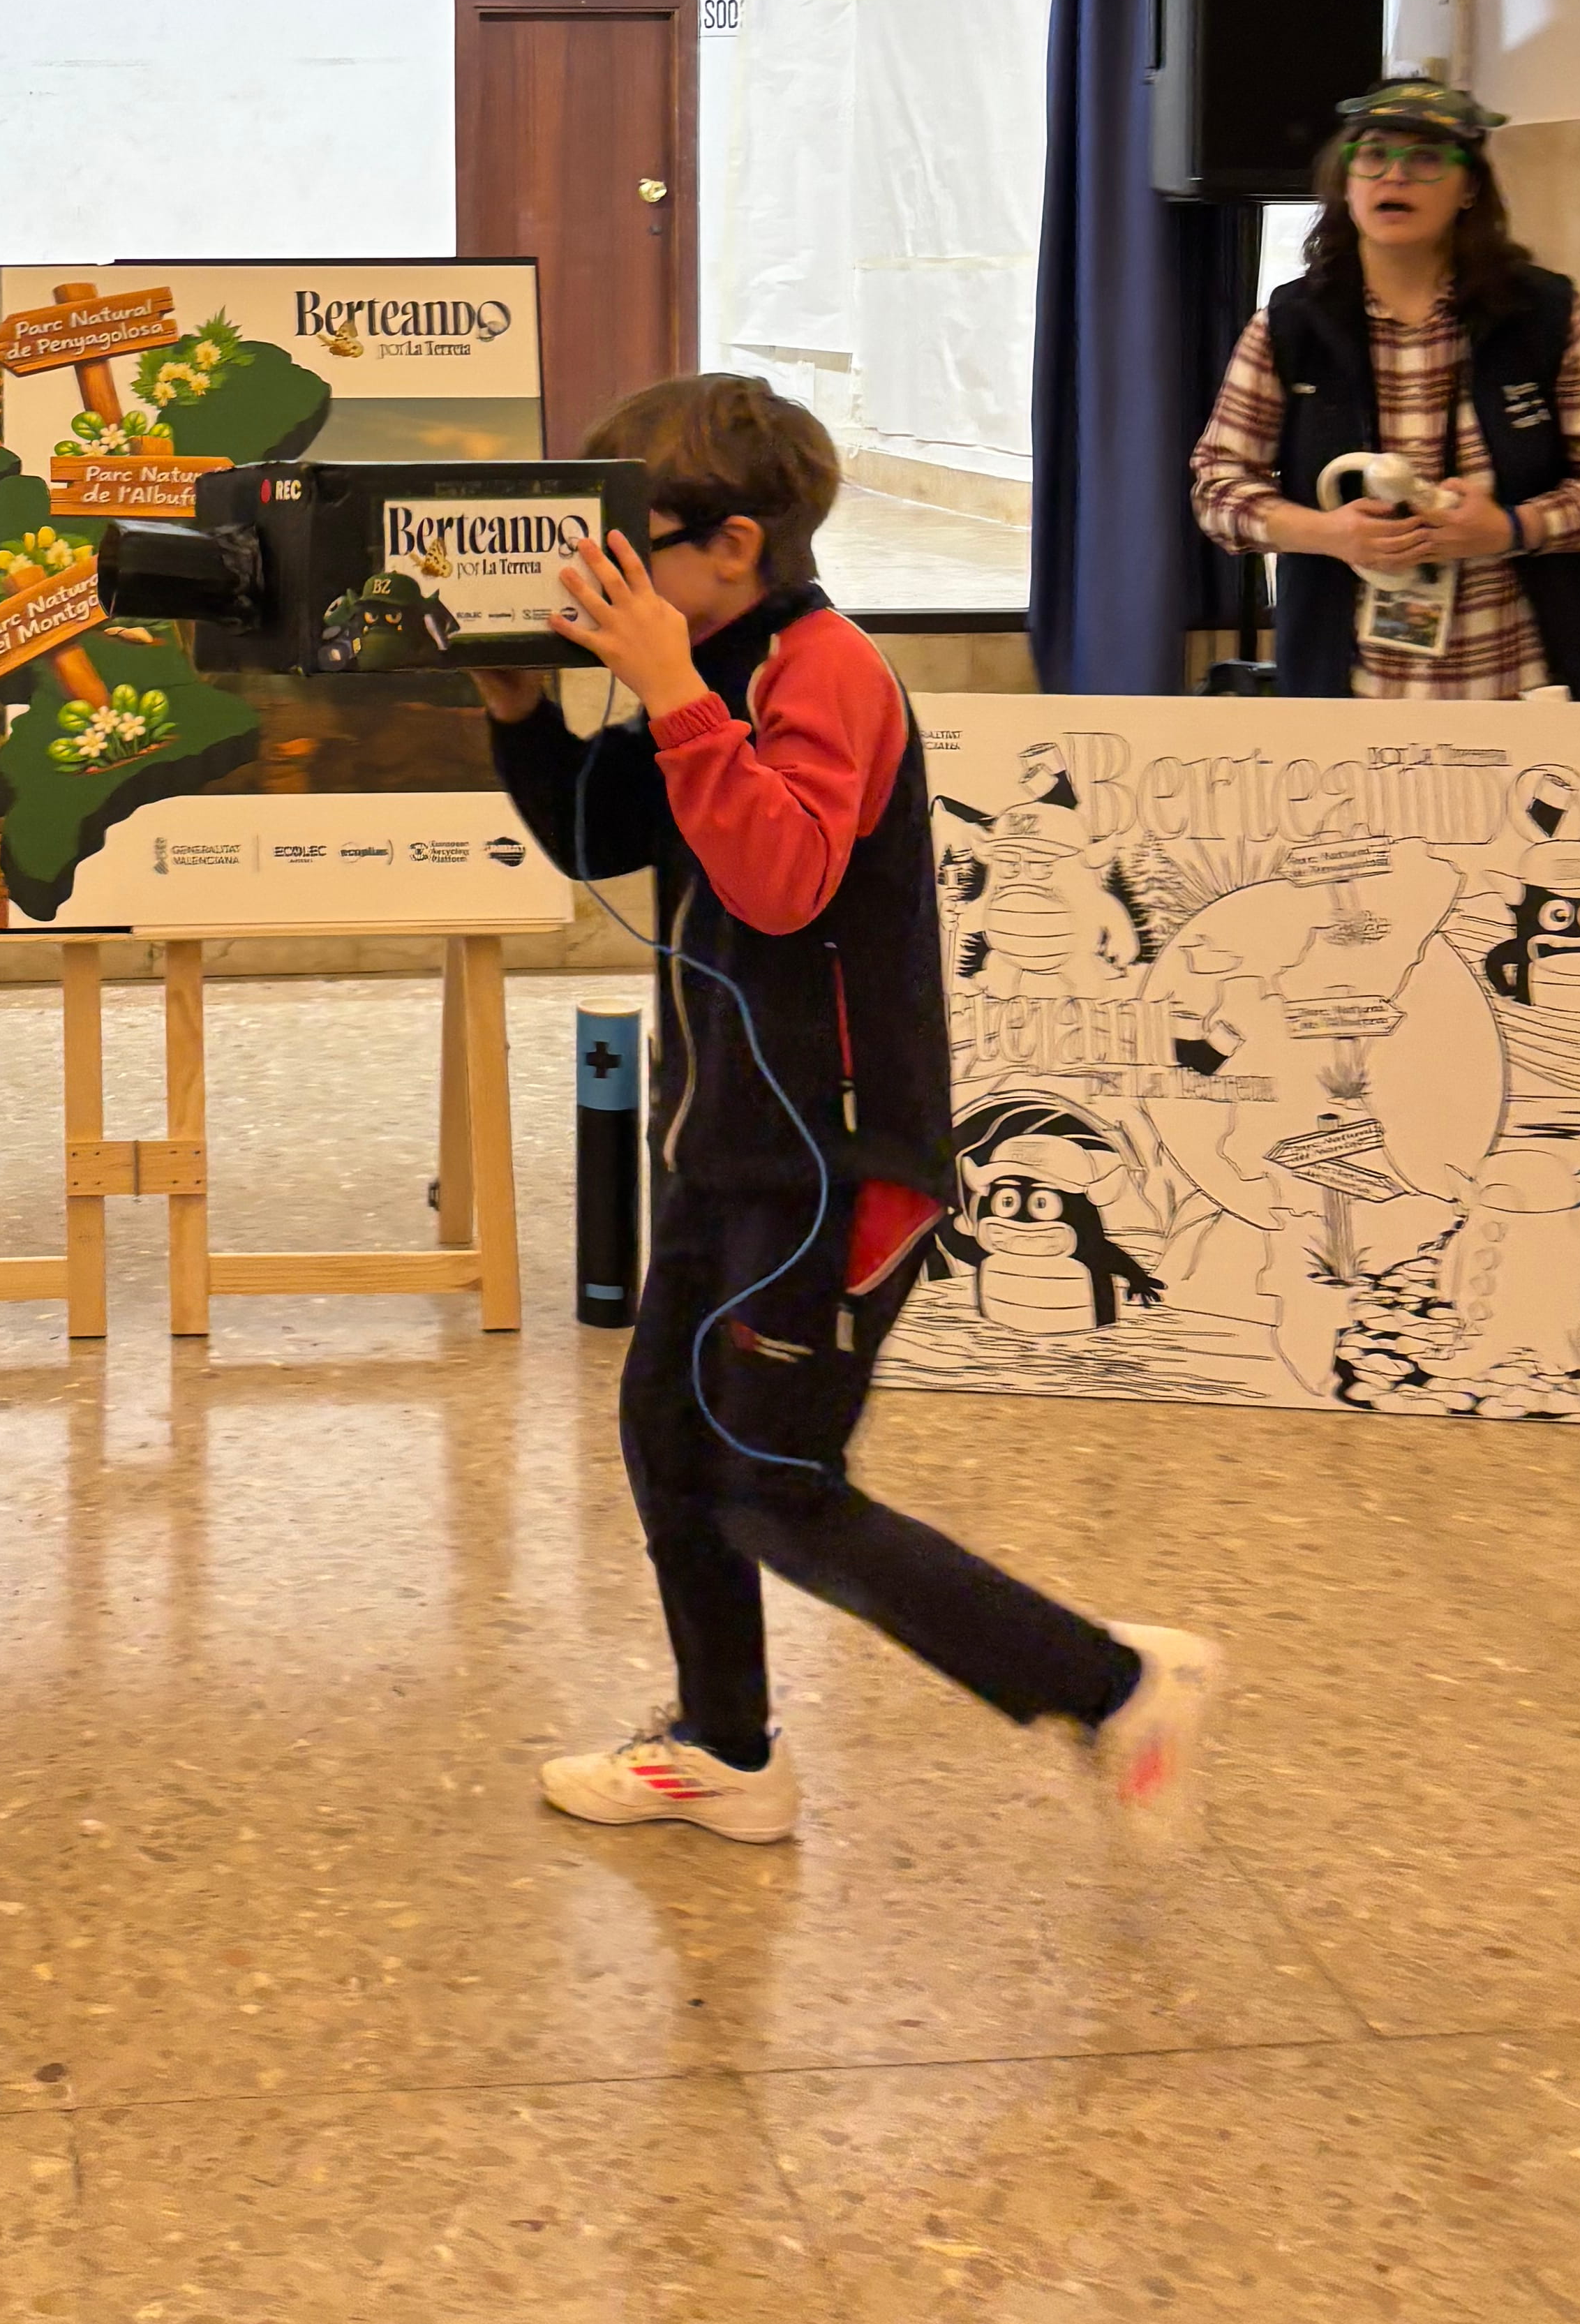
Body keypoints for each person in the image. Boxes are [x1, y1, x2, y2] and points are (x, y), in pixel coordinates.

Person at [477, 373, 1218, 1845]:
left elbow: (779, 880)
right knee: (669, 1441)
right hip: (725, 1143)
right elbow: (601, 832)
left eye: (631, 543)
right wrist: (520, 713)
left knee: (774, 1484)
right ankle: (726, 1750)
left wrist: (673, 697)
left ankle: (1117, 1684)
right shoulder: (712, 658)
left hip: (831, 1162)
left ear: (732, 545)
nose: (600, 574)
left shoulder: (822, 671)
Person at [1191, 79, 1580, 699]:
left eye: (1427, 158)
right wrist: (1328, 533)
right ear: (1346, 182)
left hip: (1528, 687)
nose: (1395, 176)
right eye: (1374, 155)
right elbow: (1218, 488)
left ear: (1469, 190)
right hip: (1349, 692)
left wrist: (1513, 529)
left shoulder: (1545, 314)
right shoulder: (1290, 325)